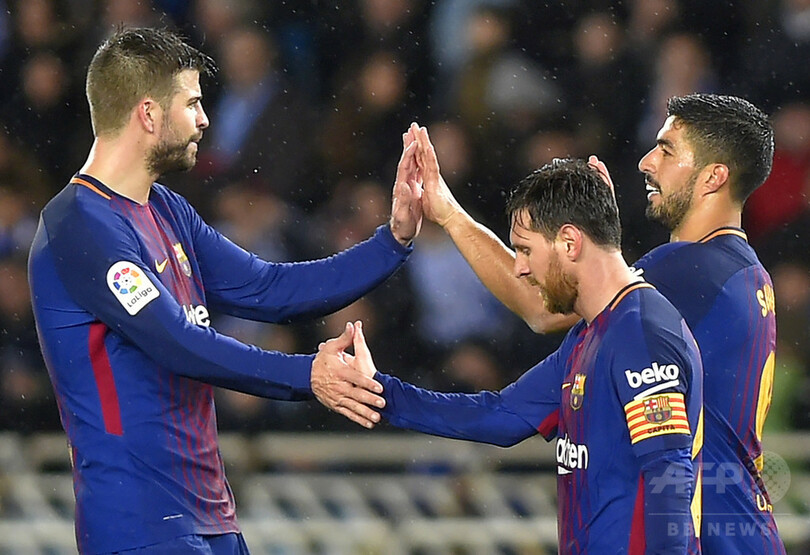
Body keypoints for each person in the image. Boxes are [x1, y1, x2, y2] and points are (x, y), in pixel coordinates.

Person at [27, 27, 422, 554]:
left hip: (210, 514)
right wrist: (307, 374)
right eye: (192, 104)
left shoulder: (166, 209)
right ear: (149, 114)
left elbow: (270, 288)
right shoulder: (79, 224)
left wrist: (393, 240)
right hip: (138, 523)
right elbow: (178, 343)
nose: (204, 120)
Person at [413, 93, 785, 552]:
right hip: (745, 527)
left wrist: (448, 214)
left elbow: (542, 307)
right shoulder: (741, 270)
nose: (647, 163)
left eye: (667, 150)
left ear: (714, 177)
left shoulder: (685, 271)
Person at [336, 158, 703, 553]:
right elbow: (501, 415)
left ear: (570, 242)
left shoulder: (640, 332)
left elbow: (669, 475)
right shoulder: (591, 334)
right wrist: (379, 392)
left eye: (525, 250)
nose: (521, 270)